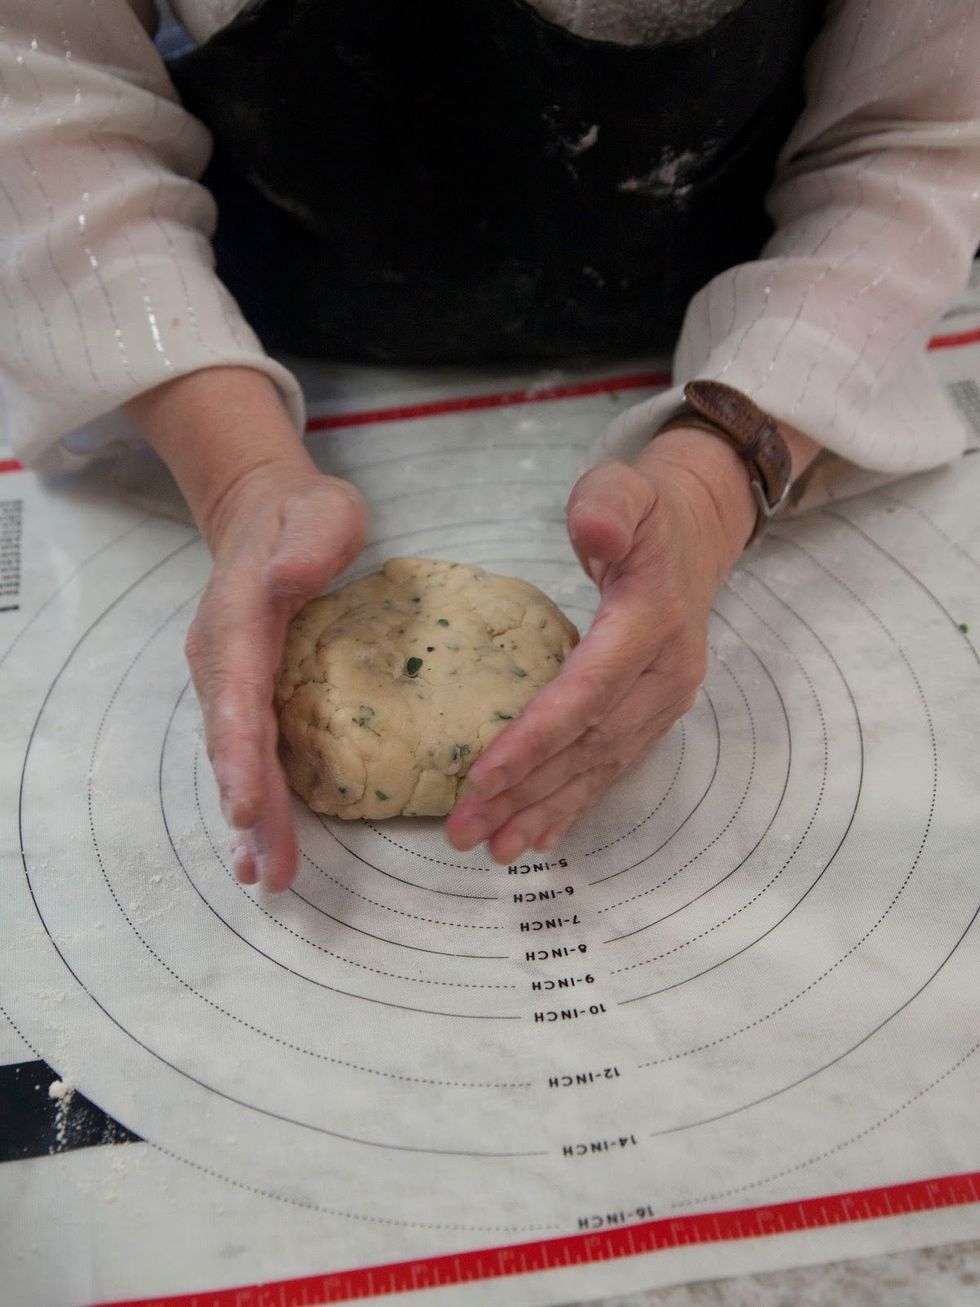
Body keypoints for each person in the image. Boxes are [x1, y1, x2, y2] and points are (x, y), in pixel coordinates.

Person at [2, 2, 978, 891]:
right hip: (245, 313)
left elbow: (908, 140)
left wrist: (720, 472)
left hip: (733, 307)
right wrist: (242, 475)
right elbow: (41, 105)